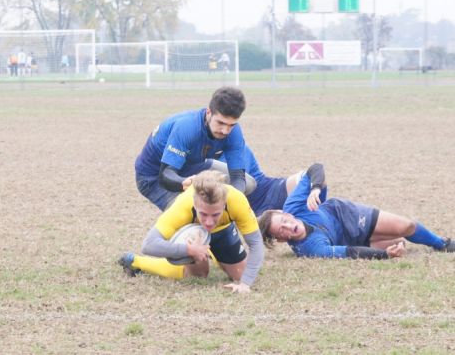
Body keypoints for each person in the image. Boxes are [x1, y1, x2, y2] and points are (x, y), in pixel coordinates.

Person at [118, 170, 265, 294]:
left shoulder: (237, 200)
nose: (208, 222)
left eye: (215, 214)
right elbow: (148, 245)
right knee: (199, 275)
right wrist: (189, 249)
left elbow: (256, 243)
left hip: (223, 231)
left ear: (224, 203)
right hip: (194, 235)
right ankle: (137, 262)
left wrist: (245, 284)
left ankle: (215, 255)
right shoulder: (183, 205)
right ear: (195, 204)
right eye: (203, 214)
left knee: (240, 275)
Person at [258, 168, 455, 259]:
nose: (287, 227)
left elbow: (315, 168)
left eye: (284, 220)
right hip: (350, 240)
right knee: (399, 242)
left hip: (346, 214)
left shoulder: (293, 206)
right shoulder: (310, 248)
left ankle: (442, 244)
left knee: (408, 226)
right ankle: (393, 243)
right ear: (282, 240)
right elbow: (350, 252)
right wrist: (384, 255)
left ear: (287, 214)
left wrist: (316, 188)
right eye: (281, 231)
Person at [134, 86, 250, 211]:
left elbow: (238, 177)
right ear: (209, 112)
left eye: (231, 125)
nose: (225, 131)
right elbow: (165, 176)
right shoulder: (186, 127)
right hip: (154, 177)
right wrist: (184, 182)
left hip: (193, 165)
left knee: (249, 184)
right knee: (193, 213)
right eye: (220, 123)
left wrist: (231, 200)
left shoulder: (234, 132)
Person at [217, 145, 326, 216]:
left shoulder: (238, 148)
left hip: (269, 190)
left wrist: (315, 189)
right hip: (253, 208)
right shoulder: (204, 161)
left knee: (314, 181)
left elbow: (315, 171)